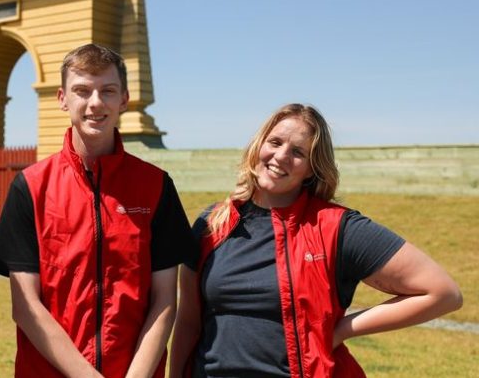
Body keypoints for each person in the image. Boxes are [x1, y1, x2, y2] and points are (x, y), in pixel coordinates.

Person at [169, 103, 463, 378]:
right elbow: (188, 323)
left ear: (311, 167)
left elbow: (443, 293)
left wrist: (342, 329)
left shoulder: (337, 228)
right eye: (275, 142)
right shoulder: (212, 223)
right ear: (258, 145)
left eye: (298, 152)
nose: (281, 156)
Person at [0, 43, 195, 378]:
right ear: (62, 98)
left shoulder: (156, 186)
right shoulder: (31, 186)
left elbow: (165, 300)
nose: (95, 103)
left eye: (107, 91)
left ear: (124, 99)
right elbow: (25, 307)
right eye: (82, 91)